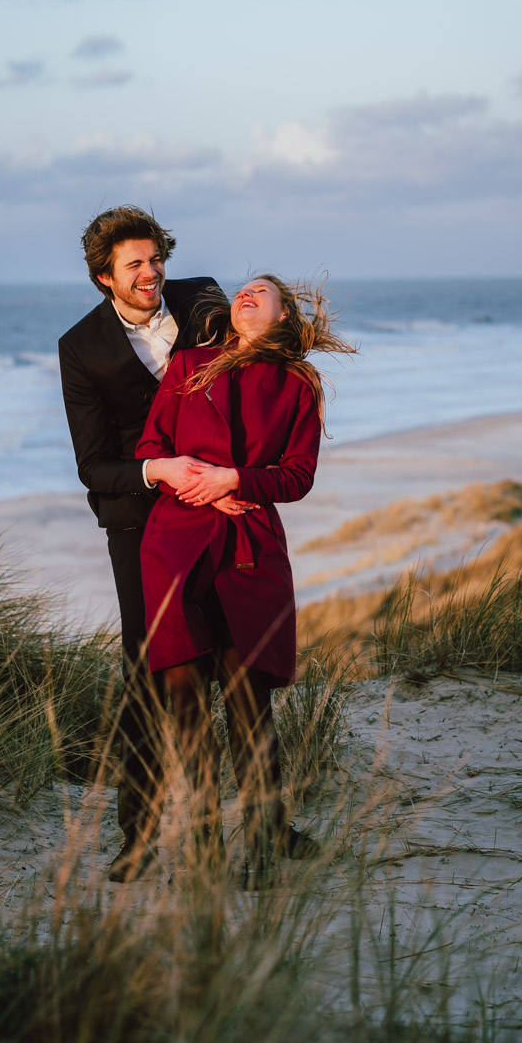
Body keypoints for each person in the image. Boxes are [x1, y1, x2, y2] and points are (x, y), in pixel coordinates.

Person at [135, 275, 354, 887]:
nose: (246, 295)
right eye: (243, 290)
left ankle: (263, 838)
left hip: (249, 547)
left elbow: (298, 476)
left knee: (247, 699)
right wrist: (189, 479)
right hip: (176, 542)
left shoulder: (297, 384)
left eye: (264, 291)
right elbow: (152, 445)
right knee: (184, 697)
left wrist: (235, 481)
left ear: (283, 315)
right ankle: (204, 842)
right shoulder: (191, 363)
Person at [59, 205, 239, 882]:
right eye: (134, 264)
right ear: (105, 277)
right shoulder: (80, 348)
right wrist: (157, 470)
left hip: (221, 508)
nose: (151, 272)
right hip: (138, 523)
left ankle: (268, 826)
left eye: (155, 258)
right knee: (150, 674)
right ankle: (138, 836)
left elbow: (260, 367)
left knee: (236, 667)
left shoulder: (202, 300)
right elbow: (93, 464)